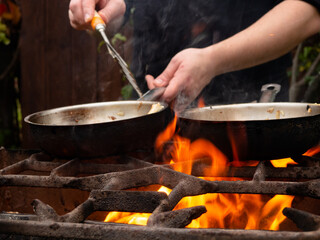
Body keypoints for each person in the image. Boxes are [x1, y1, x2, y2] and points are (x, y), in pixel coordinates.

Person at [69, 0, 320, 112]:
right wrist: (106, 10)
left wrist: (212, 61)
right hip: (156, 125)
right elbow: (126, 9)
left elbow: (310, 12)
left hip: (249, 120)